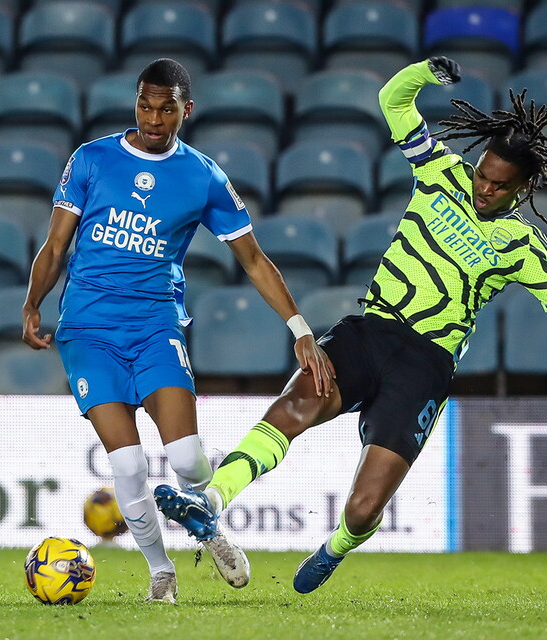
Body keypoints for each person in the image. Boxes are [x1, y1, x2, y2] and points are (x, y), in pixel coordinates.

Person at [153, 57, 547, 594]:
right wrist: (425, 73)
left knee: (363, 509)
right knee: (293, 408)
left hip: (424, 365)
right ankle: (210, 501)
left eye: (499, 186)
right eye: (482, 175)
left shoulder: (525, 248)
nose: (484, 189)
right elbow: (393, 101)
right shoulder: (440, 170)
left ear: (523, 188)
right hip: (370, 330)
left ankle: (338, 545)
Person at [21, 58, 334, 603]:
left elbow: (254, 260)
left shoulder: (202, 176)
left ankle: (209, 525)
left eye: (166, 109)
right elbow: (55, 246)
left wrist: (300, 326)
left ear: (186, 110)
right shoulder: (91, 159)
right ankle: (160, 572)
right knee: (127, 463)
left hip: (155, 325)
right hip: (88, 330)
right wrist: (32, 304)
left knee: (187, 457)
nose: (153, 118)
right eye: (144, 106)